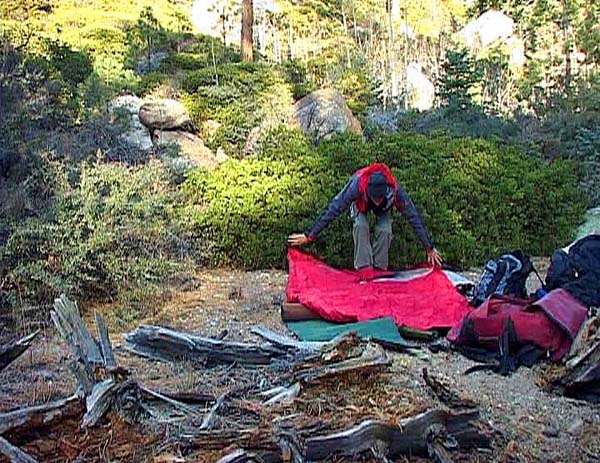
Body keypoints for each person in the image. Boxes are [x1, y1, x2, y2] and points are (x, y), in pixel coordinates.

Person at [288, 162, 442, 274]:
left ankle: (379, 270)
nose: (377, 200)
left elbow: (412, 216)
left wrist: (428, 247)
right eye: (374, 197)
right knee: (361, 226)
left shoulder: (394, 191)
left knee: (385, 230)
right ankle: (364, 268)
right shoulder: (356, 185)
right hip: (360, 204)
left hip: (385, 209)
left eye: (379, 197)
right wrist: (310, 235)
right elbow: (334, 208)